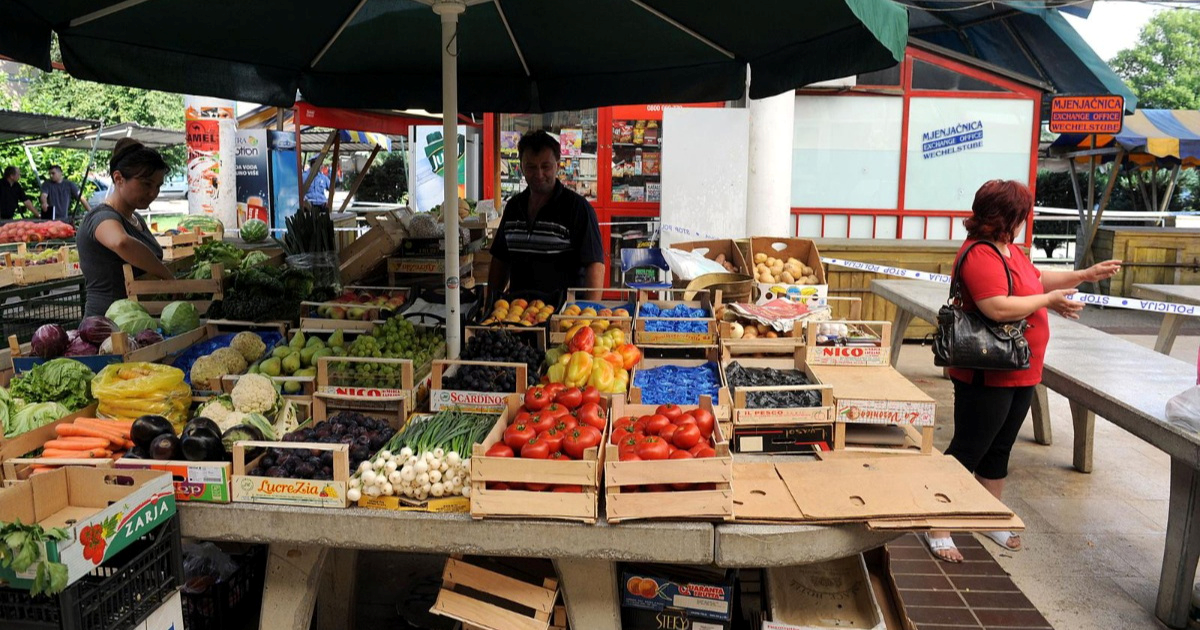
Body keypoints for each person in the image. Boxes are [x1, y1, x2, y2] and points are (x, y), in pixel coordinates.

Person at [924, 180, 1121, 563]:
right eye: (1021, 215)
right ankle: (939, 523)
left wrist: (1083, 274)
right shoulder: (980, 253)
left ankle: (987, 515)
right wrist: (1047, 301)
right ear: (1004, 217)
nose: (1024, 221)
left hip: (1020, 367)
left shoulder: (1009, 249)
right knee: (969, 448)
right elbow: (996, 307)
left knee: (1000, 448)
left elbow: (1035, 278)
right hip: (987, 370)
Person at [488, 130, 604, 304]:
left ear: (557, 164)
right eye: (531, 167)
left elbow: (595, 265)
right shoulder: (513, 207)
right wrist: (490, 304)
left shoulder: (578, 208)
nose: (539, 174)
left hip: (562, 315)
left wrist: (588, 313)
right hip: (516, 313)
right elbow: (500, 260)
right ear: (521, 167)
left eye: (545, 167)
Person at [77, 138, 174, 318]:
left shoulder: (136, 219)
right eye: (146, 184)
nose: (153, 193)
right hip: (105, 325)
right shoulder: (100, 217)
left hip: (139, 320)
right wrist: (168, 276)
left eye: (158, 186)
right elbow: (121, 242)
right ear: (118, 179)